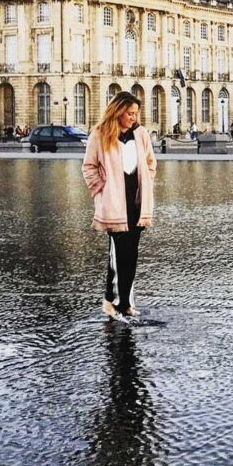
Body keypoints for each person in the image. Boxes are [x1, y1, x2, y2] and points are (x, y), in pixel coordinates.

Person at [81, 92, 156, 321]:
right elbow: (89, 167)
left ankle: (123, 302)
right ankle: (115, 303)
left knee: (131, 255)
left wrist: (147, 183)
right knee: (118, 256)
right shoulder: (100, 134)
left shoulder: (140, 133)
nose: (133, 117)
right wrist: (102, 190)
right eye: (130, 113)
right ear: (118, 111)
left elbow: (151, 163)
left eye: (135, 113)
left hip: (136, 202)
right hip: (114, 204)